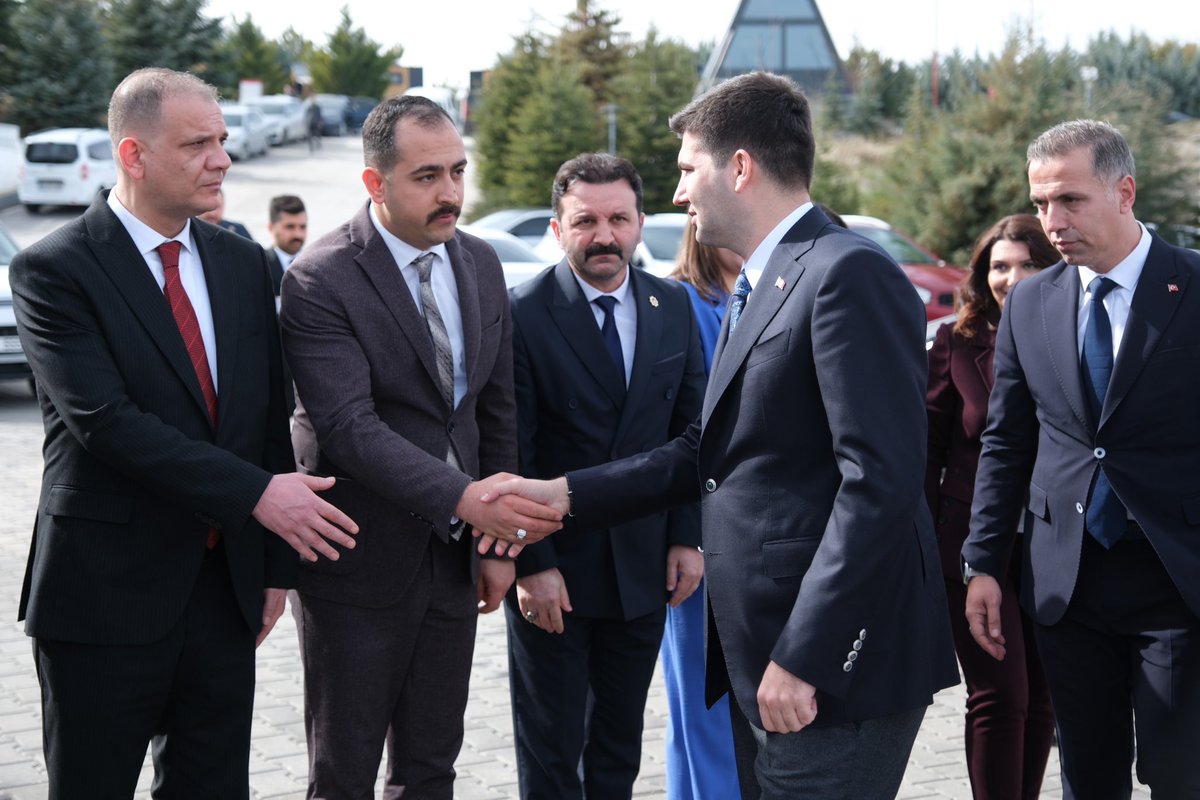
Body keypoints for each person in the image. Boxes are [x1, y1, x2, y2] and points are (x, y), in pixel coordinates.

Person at [479, 71, 959, 799]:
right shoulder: (767, 279)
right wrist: (562, 495)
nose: (678, 195)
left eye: (686, 169)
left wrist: (806, 655)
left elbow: (879, 487)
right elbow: (707, 451)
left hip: (825, 668)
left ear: (739, 168)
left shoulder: (847, 273)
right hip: (761, 655)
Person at [8, 67, 358, 799]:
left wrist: (272, 567)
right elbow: (105, 422)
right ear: (133, 155)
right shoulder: (54, 268)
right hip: (102, 597)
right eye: (198, 144)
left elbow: (266, 419)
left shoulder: (244, 263)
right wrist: (257, 495)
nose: (221, 159)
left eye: (222, 140)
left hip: (223, 595)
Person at [278, 94, 563, 799]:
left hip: (454, 559)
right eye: (427, 176)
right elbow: (348, 427)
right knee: (342, 776)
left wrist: (498, 545)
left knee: (431, 769)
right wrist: (468, 501)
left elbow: (495, 411)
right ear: (375, 182)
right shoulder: (319, 277)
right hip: (356, 561)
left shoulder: (481, 263)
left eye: (458, 171)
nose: (451, 193)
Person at [964, 120, 1200, 798]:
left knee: (1178, 772)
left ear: (1124, 192)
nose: (1052, 221)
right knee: (1088, 777)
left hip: (1176, 578)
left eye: (1069, 199)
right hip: (1066, 582)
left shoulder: (1192, 285)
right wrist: (984, 563)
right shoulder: (1031, 301)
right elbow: (1007, 441)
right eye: (1041, 203)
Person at [505, 153, 707, 799]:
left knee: (618, 750)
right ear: (557, 228)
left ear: (641, 222)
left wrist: (687, 537)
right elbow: (512, 449)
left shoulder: (672, 305)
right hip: (557, 571)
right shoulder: (521, 312)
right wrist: (530, 564)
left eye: (618, 219)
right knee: (552, 755)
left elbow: (693, 434)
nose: (604, 235)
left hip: (643, 568)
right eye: (585, 221)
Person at [925, 214, 1057, 799]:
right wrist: (925, 544)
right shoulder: (957, 341)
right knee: (1002, 695)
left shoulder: (1069, 331)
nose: (1012, 278)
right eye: (1000, 266)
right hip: (973, 546)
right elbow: (928, 448)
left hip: (1053, 543)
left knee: (1044, 696)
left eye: (1028, 264)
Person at [660, 215, 741, 799]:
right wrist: (684, 532)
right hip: (699, 526)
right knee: (699, 697)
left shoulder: (775, 286)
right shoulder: (677, 301)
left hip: (759, 528)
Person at [265, 194, 308, 298]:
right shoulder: (260, 265)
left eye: (303, 227)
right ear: (271, 228)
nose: (298, 234)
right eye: (290, 227)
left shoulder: (316, 265)